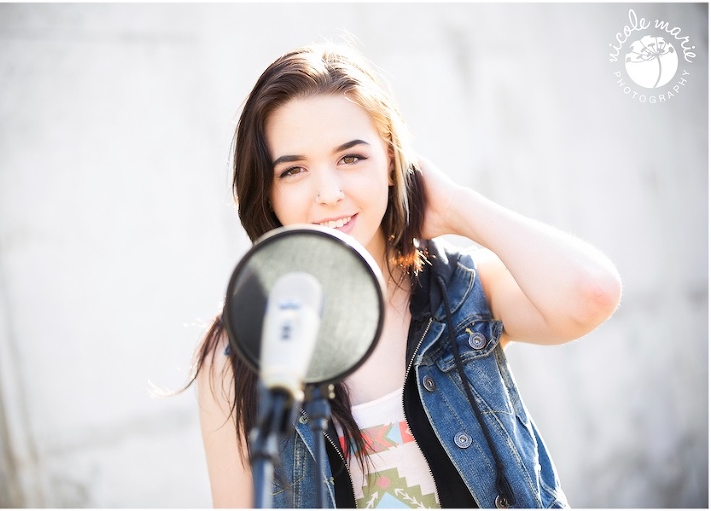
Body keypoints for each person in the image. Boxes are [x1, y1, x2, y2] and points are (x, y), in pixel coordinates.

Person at [190, 42, 621, 509]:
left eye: (351, 158)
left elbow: (591, 293)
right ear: (267, 192)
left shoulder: (460, 292)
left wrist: (456, 206)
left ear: (394, 164)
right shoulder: (235, 350)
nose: (329, 193)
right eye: (293, 170)